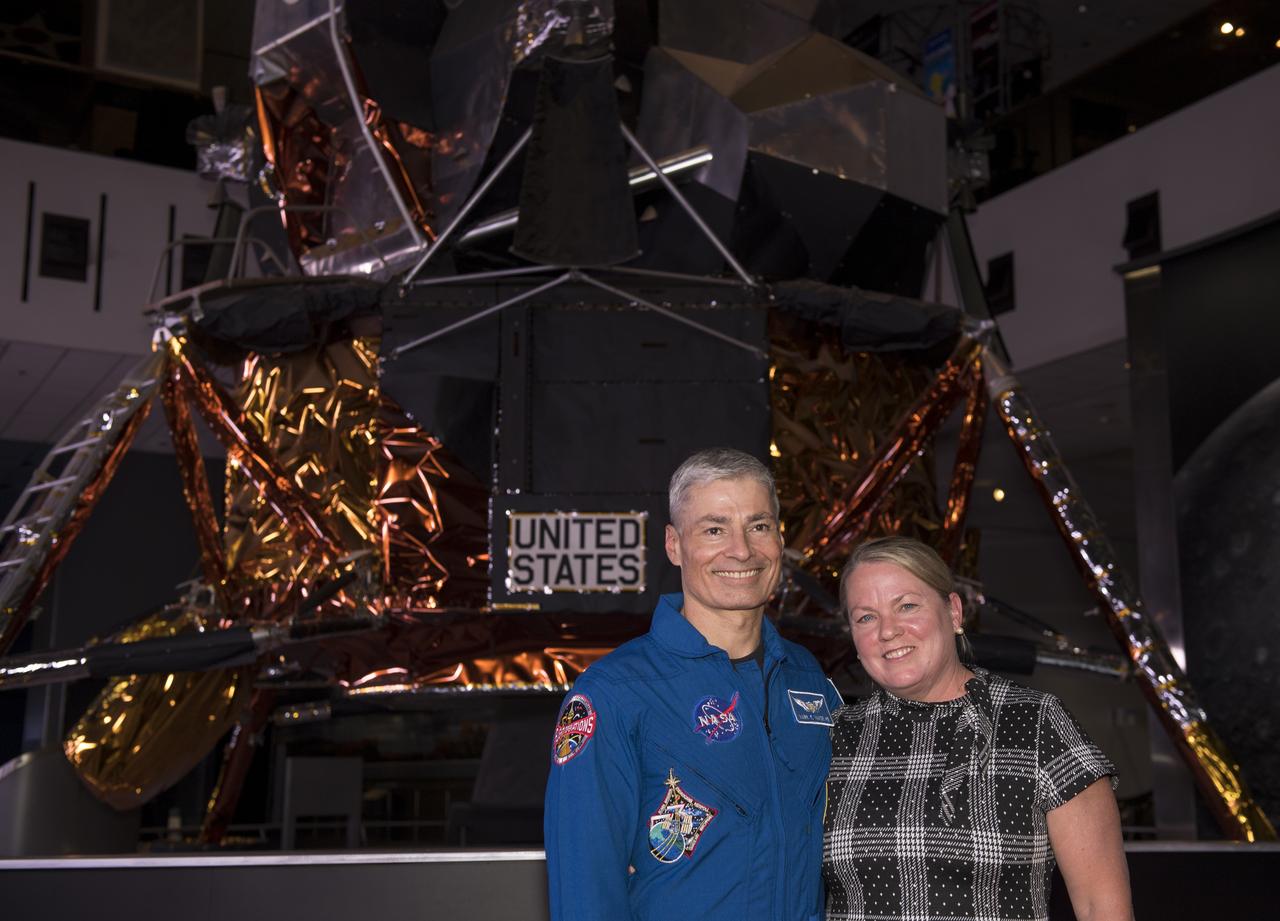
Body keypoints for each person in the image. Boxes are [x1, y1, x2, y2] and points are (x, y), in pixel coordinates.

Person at [544, 447, 842, 921]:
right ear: (674, 544)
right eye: (714, 528)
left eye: (758, 526)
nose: (741, 550)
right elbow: (585, 890)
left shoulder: (807, 679)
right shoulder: (616, 693)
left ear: (779, 539)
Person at [823, 536, 1133, 921]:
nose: (888, 631)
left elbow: (1101, 908)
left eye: (907, 606)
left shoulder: (1036, 724)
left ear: (953, 612)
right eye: (866, 617)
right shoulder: (833, 736)